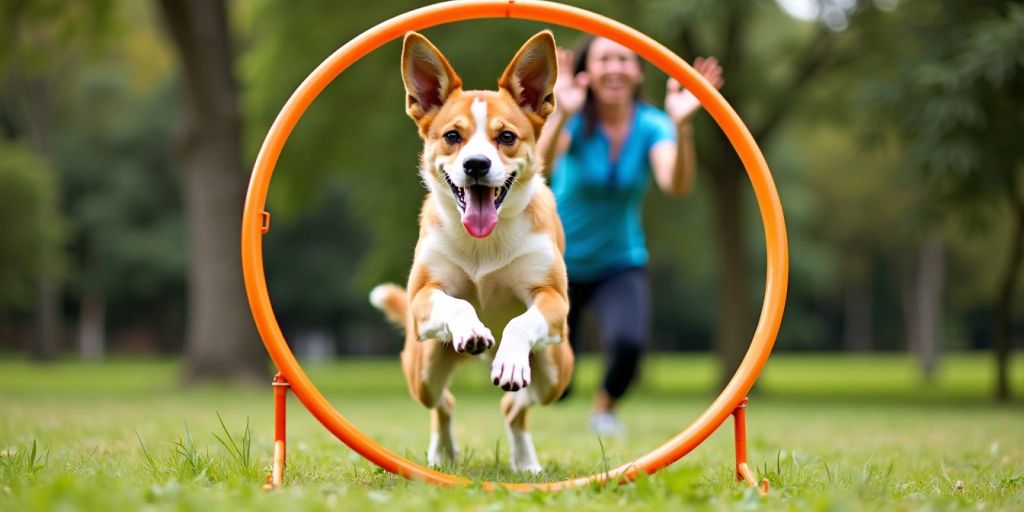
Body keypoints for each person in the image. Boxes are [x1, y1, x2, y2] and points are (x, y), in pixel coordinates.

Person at [538, 36, 723, 436]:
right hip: (558, 259)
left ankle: (604, 410)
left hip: (619, 260)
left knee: (629, 343)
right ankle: (557, 388)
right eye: (604, 59)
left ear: (638, 71)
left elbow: (674, 183)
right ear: (588, 72)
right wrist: (561, 116)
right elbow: (537, 167)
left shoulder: (652, 124)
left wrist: (681, 126)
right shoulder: (572, 118)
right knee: (558, 379)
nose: (615, 67)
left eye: (624, 59)